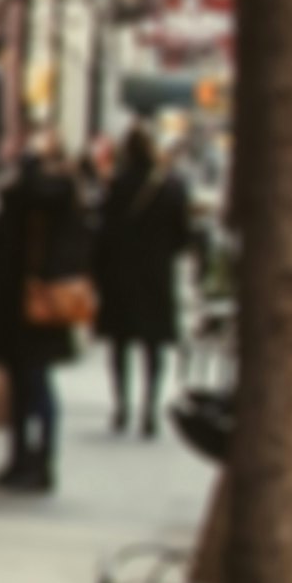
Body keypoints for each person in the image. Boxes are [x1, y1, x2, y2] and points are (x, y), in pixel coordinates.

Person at [0, 136, 90, 491]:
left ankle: (40, 461)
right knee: (24, 383)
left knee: (35, 382)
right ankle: (23, 458)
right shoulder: (61, 193)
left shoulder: (54, 191)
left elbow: (26, 197)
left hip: (38, 302)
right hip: (29, 302)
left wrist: (28, 166)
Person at [94, 123, 191, 432]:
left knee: (119, 345)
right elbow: (183, 237)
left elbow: (103, 233)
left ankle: (121, 406)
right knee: (153, 347)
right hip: (155, 276)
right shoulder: (171, 186)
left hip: (121, 275)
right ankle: (149, 409)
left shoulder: (117, 185)